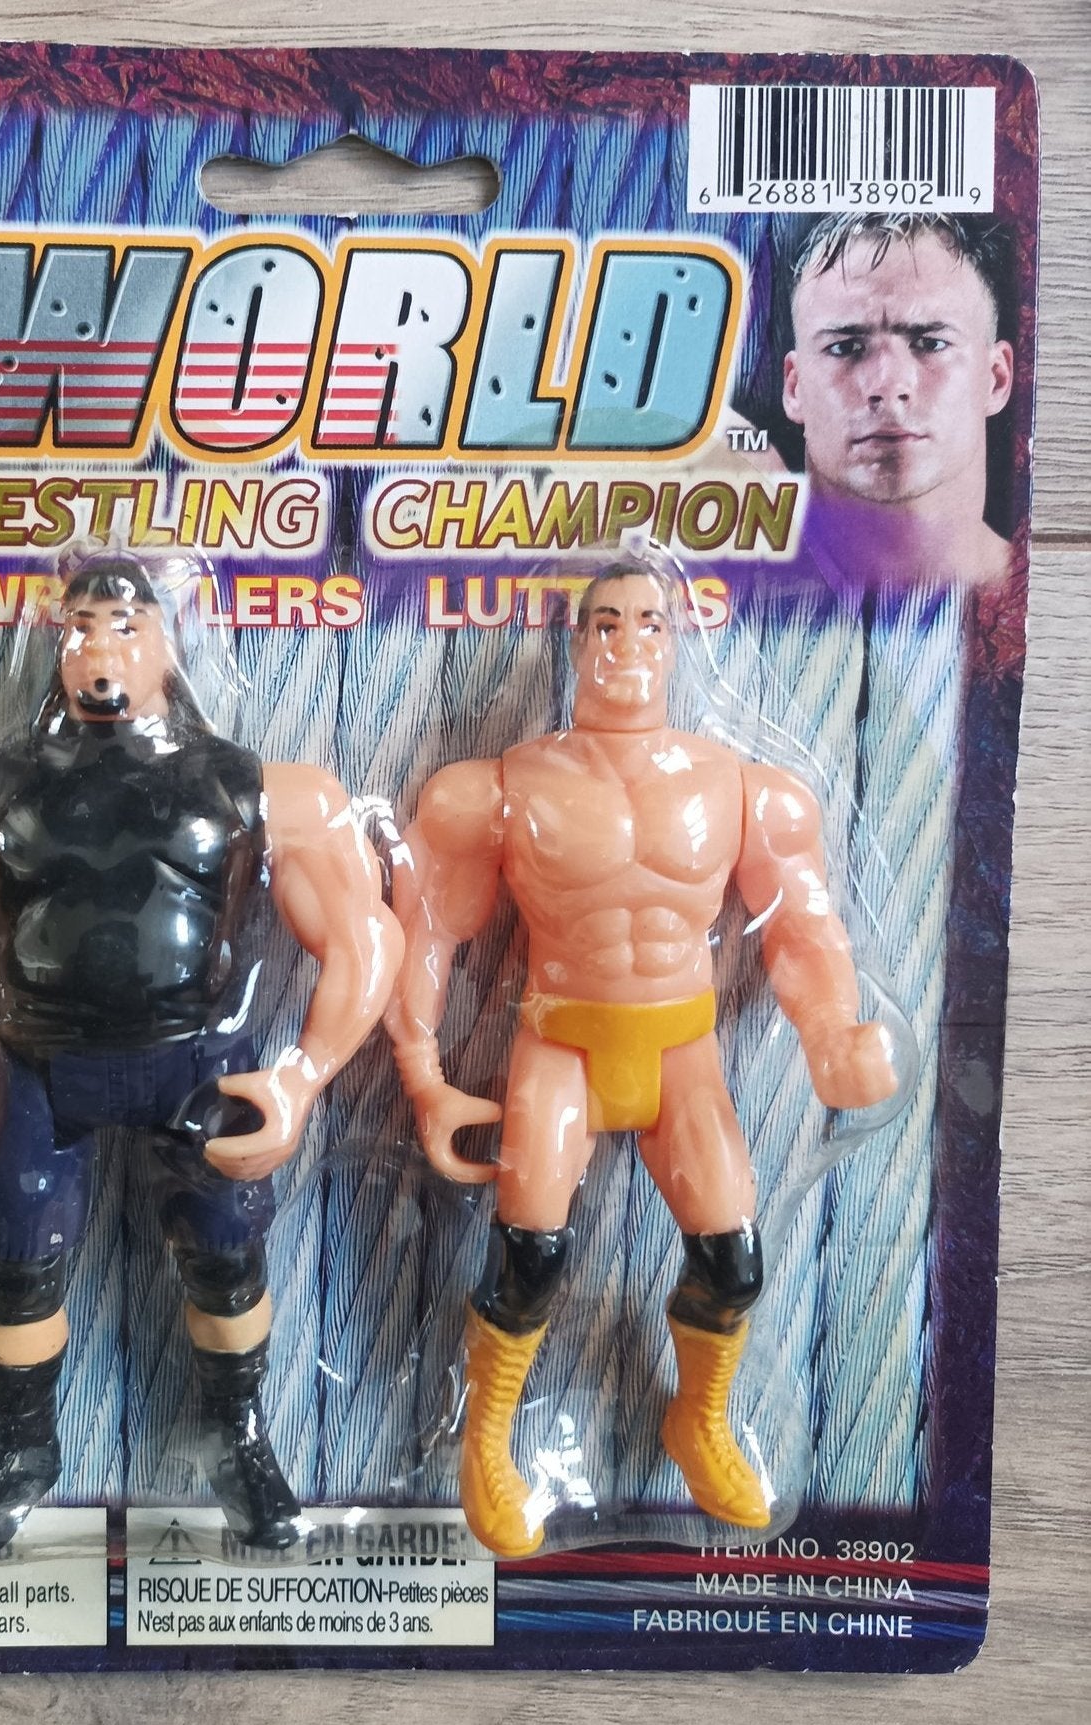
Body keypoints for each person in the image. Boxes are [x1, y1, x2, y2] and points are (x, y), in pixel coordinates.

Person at [0, 552, 402, 1558]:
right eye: (83, 627)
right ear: (57, 644)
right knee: (16, 1265)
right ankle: (20, 1447)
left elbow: (365, 941)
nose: (102, 648)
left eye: (127, 626)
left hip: (201, 1061)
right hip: (38, 1066)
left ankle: (238, 1436)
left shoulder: (265, 791)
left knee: (226, 1257)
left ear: (166, 644)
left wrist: (300, 1077)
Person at [386, 561, 898, 1557]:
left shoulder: (743, 789)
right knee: (528, 1257)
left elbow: (801, 928)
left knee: (732, 1261)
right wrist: (421, 1072)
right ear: (575, 641)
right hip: (559, 1042)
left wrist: (832, 1032)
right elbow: (429, 932)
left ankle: (697, 1417)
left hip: (680, 1049)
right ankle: (484, 1440)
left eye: (648, 625)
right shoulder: (501, 788)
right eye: (606, 625)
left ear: (675, 641)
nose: (626, 644)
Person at [781, 212, 1015, 582]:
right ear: (795, 388)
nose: (888, 385)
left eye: (931, 343)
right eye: (844, 347)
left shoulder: (1043, 591)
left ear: (996, 379)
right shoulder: (709, 594)